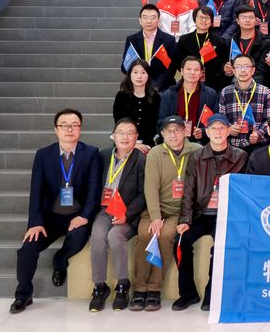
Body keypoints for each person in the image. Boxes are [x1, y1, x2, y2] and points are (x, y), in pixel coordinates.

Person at [10, 109, 101, 314]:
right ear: (56, 129)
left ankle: (60, 260)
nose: (69, 129)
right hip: (50, 217)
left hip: (77, 215)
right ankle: (23, 295)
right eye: (64, 125)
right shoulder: (43, 155)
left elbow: (94, 190)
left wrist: (85, 216)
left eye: (74, 125)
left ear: (80, 128)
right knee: (27, 249)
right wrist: (35, 222)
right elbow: (36, 190)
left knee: (77, 239)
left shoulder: (91, 153)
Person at [174, 114, 248, 312]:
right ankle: (188, 293)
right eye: (213, 128)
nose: (217, 132)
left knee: (221, 247)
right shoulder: (196, 157)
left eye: (222, 128)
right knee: (180, 241)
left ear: (228, 131)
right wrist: (185, 220)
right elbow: (188, 191)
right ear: (206, 132)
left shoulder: (240, 156)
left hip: (225, 215)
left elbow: (243, 191)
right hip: (200, 214)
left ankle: (212, 293)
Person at [130, 116, 202, 311]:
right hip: (155, 209)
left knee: (166, 235)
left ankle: (154, 289)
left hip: (179, 212)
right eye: (168, 131)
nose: (173, 134)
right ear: (162, 134)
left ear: (185, 131)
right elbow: (150, 187)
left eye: (177, 130)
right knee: (145, 234)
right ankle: (139, 288)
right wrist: (155, 217)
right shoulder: (155, 153)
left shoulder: (196, 150)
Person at [88, 118, 146, 312]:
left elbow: (143, 193)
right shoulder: (103, 156)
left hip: (127, 213)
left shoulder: (140, 159)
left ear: (136, 137)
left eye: (130, 133)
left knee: (114, 235)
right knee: (97, 237)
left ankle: (123, 284)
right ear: (113, 135)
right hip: (105, 211)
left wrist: (127, 215)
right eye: (121, 132)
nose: (125, 136)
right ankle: (99, 286)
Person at [218, 54, 270, 150]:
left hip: (257, 145)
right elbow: (221, 119)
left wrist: (259, 134)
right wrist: (229, 129)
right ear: (234, 71)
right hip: (231, 145)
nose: (243, 70)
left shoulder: (265, 92)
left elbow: (269, 120)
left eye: (247, 66)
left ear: (253, 70)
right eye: (238, 67)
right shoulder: (225, 92)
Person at [158, 56, 220, 143]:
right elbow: (162, 123)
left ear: (201, 73)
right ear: (182, 71)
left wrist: (203, 132)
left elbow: (216, 121)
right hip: (174, 141)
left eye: (196, 70)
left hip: (200, 143)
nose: (192, 72)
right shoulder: (169, 95)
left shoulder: (210, 94)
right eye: (188, 69)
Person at [122, 4, 177, 90]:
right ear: (140, 21)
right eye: (145, 17)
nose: (149, 21)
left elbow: (171, 68)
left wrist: (156, 86)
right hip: (138, 86)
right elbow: (125, 66)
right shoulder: (132, 40)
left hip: (162, 87)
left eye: (153, 18)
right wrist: (139, 81)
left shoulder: (169, 40)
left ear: (159, 20)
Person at [175, 6, 231, 92]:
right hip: (189, 81)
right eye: (201, 17)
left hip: (213, 83)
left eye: (207, 18)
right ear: (195, 19)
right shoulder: (184, 39)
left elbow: (222, 62)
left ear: (212, 21)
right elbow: (179, 62)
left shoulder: (219, 41)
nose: (204, 20)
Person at [113, 59, 160, 152]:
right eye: (135, 72)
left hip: (148, 145)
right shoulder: (121, 97)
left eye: (143, 72)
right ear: (130, 75)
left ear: (148, 75)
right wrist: (134, 144)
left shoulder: (156, 98)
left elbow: (155, 126)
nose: (139, 76)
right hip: (124, 142)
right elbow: (119, 124)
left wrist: (145, 145)